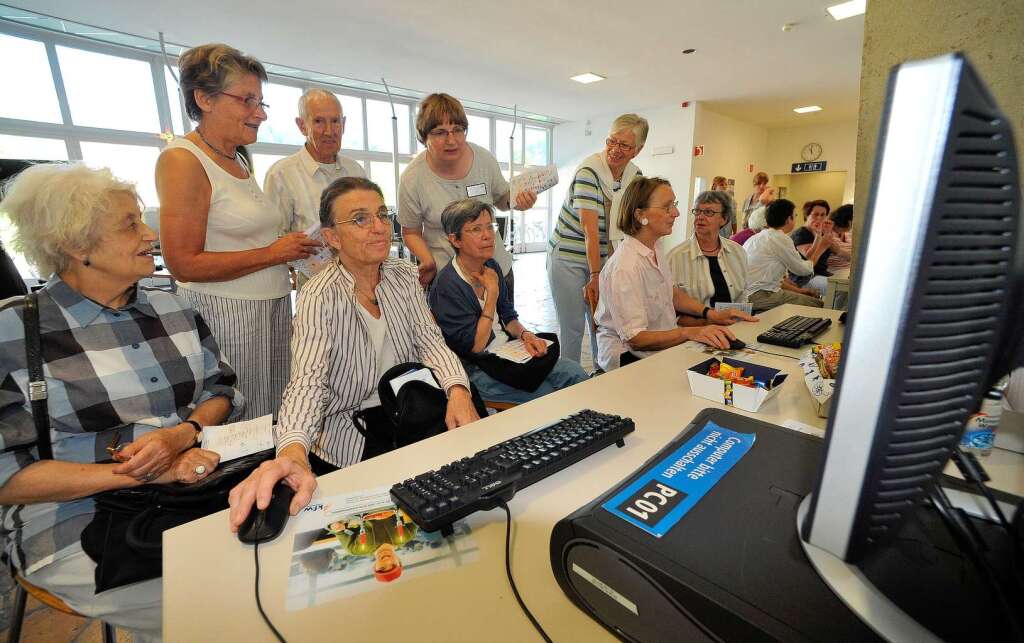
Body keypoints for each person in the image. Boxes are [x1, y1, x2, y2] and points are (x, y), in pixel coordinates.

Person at [0, 163, 243, 641]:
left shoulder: (172, 307)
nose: (149, 232)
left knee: (281, 569)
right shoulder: (15, 332)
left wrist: (180, 435)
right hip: (73, 516)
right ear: (75, 244)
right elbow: (6, 476)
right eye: (130, 223)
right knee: (221, 609)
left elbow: (221, 388)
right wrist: (141, 470)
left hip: (191, 488)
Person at [228, 177, 479, 532]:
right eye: (360, 219)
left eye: (381, 215)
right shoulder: (320, 296)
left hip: (408, 412)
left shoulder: (403, 277)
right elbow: (307, 382)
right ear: (332, 238)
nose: (379, 228)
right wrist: (292, 451)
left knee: (458, 507)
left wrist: (457, 390)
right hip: (352, 432)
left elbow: (431, 343)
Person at [156, 43, 319, 420]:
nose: (259, 114)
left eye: (261, 102)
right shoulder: (183, 160)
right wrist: (276, 253)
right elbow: (182, 263)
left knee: (272, 415)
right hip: (228, 317)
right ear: (204, 98)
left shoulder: (238, 160)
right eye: (247, 101)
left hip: (269, 310)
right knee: (238, 423)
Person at [429, 199, 588, 404]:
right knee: (548, 394)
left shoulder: (491, 266)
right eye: (476, 229)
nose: (488, 235)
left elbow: (508, 316)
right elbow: (476, 347)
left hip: (510, 354)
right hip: (479, 368)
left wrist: (525, 334)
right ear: (455, 240)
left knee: (576, 373)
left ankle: (593, 429)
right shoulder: (447, 285)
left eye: (490, 227)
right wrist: (491, 294)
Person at [594, 177, 756, 371]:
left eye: (674, 205)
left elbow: (670, 292)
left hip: (661, 346)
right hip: (629, 358)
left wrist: (712, 314)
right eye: (667, 207)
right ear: (640, 214)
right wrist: (690, 332)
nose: (676, 213)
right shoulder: (625, 266)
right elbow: (636, 339)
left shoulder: (655, 246)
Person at [398, 93, 536, 294]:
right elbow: (410, 232)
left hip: (495, 271)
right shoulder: (412, 178)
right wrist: (427, 259)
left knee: (504, 325)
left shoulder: (484, 160)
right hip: (449, 278)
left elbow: (501, 199)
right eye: (440, 132)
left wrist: (518, 200)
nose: (451, 140)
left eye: (458, 130)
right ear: (424, 136)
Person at [548, 113, 649, 365]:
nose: (615, 150)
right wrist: (595, 276)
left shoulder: (635, 178)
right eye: (611, 141)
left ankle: (599, 374)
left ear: (637, 149)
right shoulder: (589, 171)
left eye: (624, 145)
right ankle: (568, 382)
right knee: (572, 327)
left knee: (603, 324)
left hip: (605, 259)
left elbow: (633, 224)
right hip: (569, 259)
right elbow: (589, 230)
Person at [264, 88, 366, 263]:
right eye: (318, 121)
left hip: (359, 274)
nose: (329, 131)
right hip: (313, 280)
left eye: (335, 121)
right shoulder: (281, 174)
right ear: (302, 125)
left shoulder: (355, 170)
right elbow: (272, 241)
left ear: (344, 124)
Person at [667, 191, 749, 311]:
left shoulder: (738, 252)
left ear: (724, 219)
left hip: (733, 325)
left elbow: (743, 297)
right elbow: (670, 309)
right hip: (694, 327)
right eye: (697, 211)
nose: (700, 217)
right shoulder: (675, 257)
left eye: (708, 212)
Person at [743, 199, 828, 313]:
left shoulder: (756, 238)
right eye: (795, 215)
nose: (819, 218)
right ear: (789, 219)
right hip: (760, 296)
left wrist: (800, 291)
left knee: (809, 297)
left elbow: (775, 281)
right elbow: (804, 270)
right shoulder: (780, 238)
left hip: (750, 293)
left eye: (823, 215)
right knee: (818, 304)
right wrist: (822, 247)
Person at [826, 203, 854, 271]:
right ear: (848, 220)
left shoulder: (848, 234)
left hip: (848, 272)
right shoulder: (827, 232)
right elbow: (838, 252)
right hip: (833, 273)